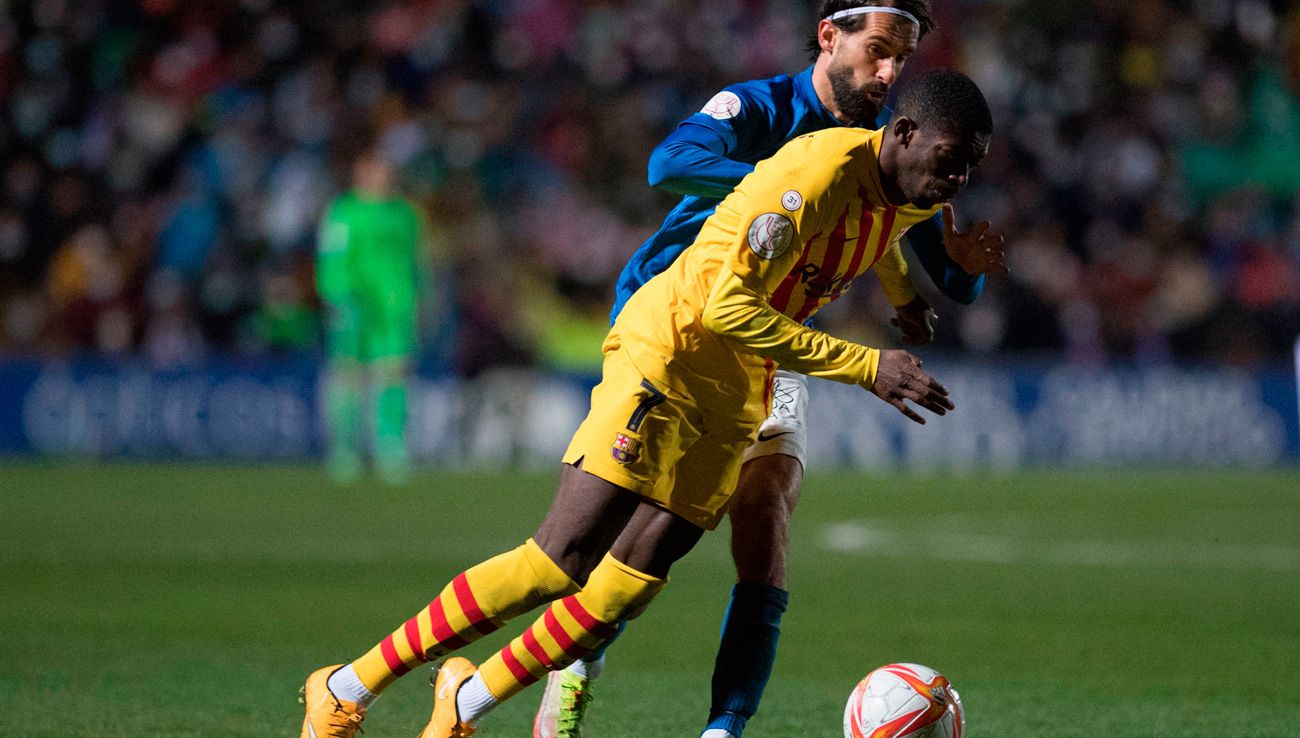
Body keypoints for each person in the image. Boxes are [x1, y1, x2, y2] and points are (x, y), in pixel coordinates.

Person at [299, 67, 994, 738]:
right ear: (904, 132)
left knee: (629, 584)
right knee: (561, 559)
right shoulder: (813, 173)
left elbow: (882, 228)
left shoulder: (912, 188)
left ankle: (465, 703)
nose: (958, 179)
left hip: (740, 384)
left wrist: (907, 298)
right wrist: (867, 365)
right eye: (951, 159)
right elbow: (727, 309)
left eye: (971, 167)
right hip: (672, 350)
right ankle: (347, 686)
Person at [534, 2, 1006, 737]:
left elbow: (931, 257)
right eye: (878, 51)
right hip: (677, 323)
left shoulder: (894, 140)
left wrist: (951, 278)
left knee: (766, 513)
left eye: (901, 59)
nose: (888, 73)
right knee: (630, 533)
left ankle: (724, 728)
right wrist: (791, 181)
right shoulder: (761, 107)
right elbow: (670, 164)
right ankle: (574, 662)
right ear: (829, 37)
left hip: (772, 337)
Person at [317, 149, 429, 485]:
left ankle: (390, 448)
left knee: (394, 374)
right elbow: (332, 256)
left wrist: (419, 299)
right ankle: (344, 449)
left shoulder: (404, 214)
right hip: (355, 303)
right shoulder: (343, 212)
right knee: (348, 374)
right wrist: (336, 294)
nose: (385, 177)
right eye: (378, 170)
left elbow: (415, 261)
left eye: (388, 170)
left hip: (394, 307)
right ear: (361, 172)